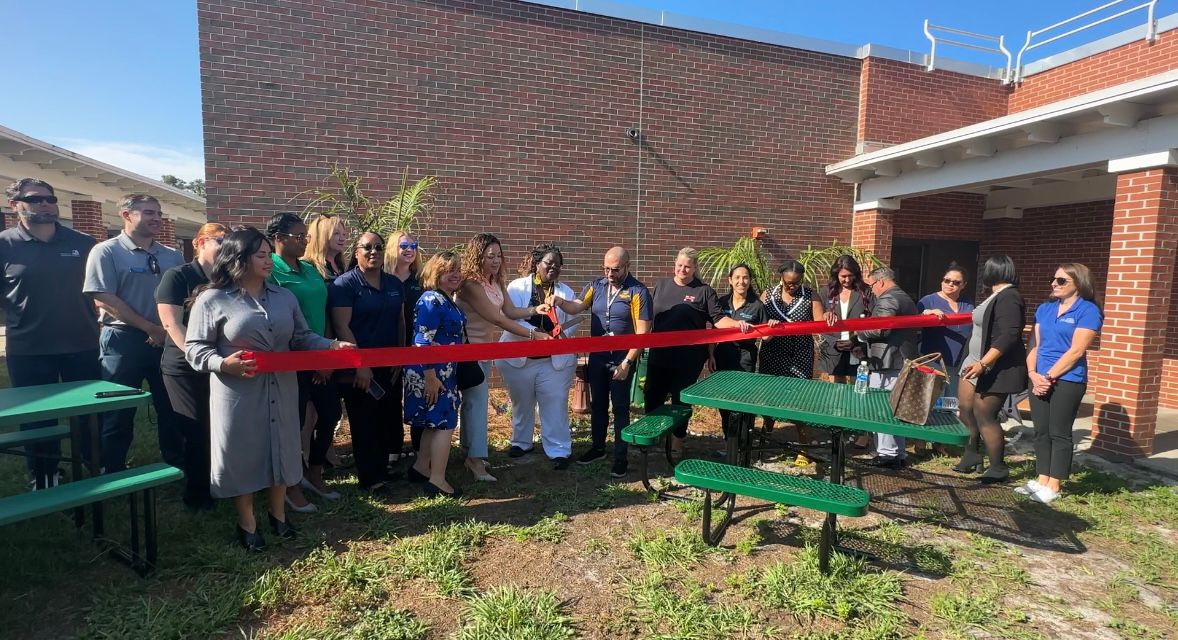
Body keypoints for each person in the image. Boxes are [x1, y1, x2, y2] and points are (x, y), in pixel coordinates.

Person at [185, 228, 352, 551]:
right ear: (239, 259)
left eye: (267, 255)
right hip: (238, 391)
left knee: (282, 447)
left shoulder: (284, 297)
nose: (268, 261)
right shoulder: (213, 299)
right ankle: (247, 522)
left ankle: (279, 515)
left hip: (283, 385)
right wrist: (223, 364)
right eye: (260, 255)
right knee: (243, 453)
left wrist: (331, 345)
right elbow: (194, 349)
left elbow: (301, 338)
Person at [0, 178, 100, 489]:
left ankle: (93, 467)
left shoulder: (83, 243)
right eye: (35, 199)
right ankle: (45, 475)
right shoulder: (4, 245)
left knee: (88, 414)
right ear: (15, 205)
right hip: (29, 348)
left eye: (50, 198)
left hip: (82, 344)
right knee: (37, 418)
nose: (45, 203)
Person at [84, 194, 185, 472]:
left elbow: (182, 296)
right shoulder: (106, 251)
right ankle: (112, 467)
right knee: (118, 409)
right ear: (126, 215)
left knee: (172, 406)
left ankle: (176, 463)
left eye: (159, 213)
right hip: (123, 341)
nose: (156, 219)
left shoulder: (172, 256)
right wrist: (148, 327)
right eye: (148, 213)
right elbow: (103, 297)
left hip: (166, 340)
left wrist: (167, 329)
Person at [454, 233, 551, 483]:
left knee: (473, 402)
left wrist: (533, 310)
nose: (496, 261)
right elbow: (496, 318)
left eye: (498, 255)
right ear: (478, 257)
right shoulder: (470, 284)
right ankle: (475, 460)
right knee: (477, 403)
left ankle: (469, 451)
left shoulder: (496, 280)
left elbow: (508, 311)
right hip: (467, 351)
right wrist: (533, 335)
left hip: (485, 351)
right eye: (490, 256)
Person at [644, 247, 752, 457]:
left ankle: (677, 442)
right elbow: (647, 318)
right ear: (674, 263)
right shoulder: (660, 286)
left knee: (680, 399)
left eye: (687, 266)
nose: (682, 269)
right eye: (679, 265)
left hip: (688, 359)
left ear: (694, 268)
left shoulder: (703, 291)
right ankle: (652, 435)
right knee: (652, 395)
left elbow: (718, 320)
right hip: (659, 354)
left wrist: (738, 325)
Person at [555, 247, 652, 478]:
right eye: (606, 268)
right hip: (598, 357)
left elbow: (643, 334)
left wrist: (628, 363)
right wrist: (559, 301)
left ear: (627, 266)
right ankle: (598, 448)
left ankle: (621, 457)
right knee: (598, 405)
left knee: (620, 408)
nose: (609, 273)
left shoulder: (638, 292)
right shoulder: (595, 286)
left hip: (621, 359)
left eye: (615, 269)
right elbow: (577, 306)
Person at [266, 213, 340, 511]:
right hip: (289, 360)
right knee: (292, 423)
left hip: (320, 352)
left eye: (306, 236)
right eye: (299, 236)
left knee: (330, 413)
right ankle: (291, 483)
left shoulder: (310, 269)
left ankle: (315, 470)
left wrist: (328, 355)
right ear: (279, 238)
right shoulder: (271, 270)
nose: (305, 241)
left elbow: (324, 311)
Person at [155, 222, 229, 510]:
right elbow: (171, 323)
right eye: (220, 241)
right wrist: (197, 355)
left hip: (219, 365)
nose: (226, 248)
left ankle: (220, 482)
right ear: (200, 243)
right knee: (195, 429)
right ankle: (197, 494)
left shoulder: (227, 279)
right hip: (184, 367)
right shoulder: (178, 276)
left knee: (218, 427)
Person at [329, 232, 405, 497]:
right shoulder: (344, 285)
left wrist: (400, 357)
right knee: (364, 421)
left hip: (390, 365)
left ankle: (383, 470)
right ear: (356, 252)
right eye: (367, 247)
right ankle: (370, 478)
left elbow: (400, 321)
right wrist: (359, 364)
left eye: (379, 247)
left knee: (386, 416)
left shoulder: (394, 283)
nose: (374, 252)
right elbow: (342, 325)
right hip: (359, 368)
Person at [1021, 263, 1101, 504]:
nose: (1054, 284)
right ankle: (1041, 478)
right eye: (1054, 279)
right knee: (1041, 431)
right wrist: (1033, 373)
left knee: (1059, 432)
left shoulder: (1087, 311)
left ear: (1079, 283)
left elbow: (1076, 351)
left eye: (1062, 280)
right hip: (1039, 378)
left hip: (1068, 380)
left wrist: (1048, 377)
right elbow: (1033, 344)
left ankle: (1054, 484)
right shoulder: (1045, 309)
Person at [498, 244, 579, 470]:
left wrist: (556, 334)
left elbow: (571, 323)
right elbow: (509, 319)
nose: (553, 267)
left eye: (557, 265)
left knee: (555, 403)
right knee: (521, 403)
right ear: (537, 264)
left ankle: (559, 450)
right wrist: (535, 335)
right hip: (519, 359)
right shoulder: (516, 287)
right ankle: (521, 442)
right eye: (548, 263)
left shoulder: (565, 292)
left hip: (552, 362)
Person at [955, 255, 1027, 483]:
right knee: (966, 409)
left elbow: (1009, 334)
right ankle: (972, 454)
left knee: (984, 414)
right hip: (973, 361)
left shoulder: (1010, 297)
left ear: (993, 271)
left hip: (993, 367)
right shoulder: (994, 296)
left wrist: (984, 363)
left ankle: (998, 466)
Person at [405, 251, 467, 497]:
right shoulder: (431, 299)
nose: (455, 274)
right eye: (449, 269)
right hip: (432, 372)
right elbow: (422, 341)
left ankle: (421, 467)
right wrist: (430, 376)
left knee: (434, 422)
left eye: (458, 269)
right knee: (445, 423)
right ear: (435, 272)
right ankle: (438, 480)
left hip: (444, 370)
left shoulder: (444, 298)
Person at [759, 260, 825, 463]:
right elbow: (758, 320)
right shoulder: (768, 294)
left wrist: (827, 316)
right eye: (788, 282)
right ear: (781, 278)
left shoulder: (810, 295)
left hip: (800, 353)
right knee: (769, 395)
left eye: (796, 283)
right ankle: (765, 435)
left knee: (800, 399)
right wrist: (767, 326)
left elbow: (820, 324)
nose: (791, 286)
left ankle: (803, 447)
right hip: (773, 352)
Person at [859, 266, 920, 469]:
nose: (871, 291)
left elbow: (880, 328)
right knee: (895, 410)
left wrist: (858, 333)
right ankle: (898, 453)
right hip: (900, 359)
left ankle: (887, 454)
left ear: (881, 282)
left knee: (882, 409)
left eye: (871, 286)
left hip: (889, 361)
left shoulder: (888, 298)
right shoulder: (904, 297)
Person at [303, 214, 349, 469]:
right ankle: (310, 459)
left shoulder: (343, 267)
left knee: (332, 407)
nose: (342, 237)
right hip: (318, 345)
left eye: (344, 233)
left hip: (341, 344)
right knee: (315, 410)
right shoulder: (309, 268)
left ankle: (326, 453)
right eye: (336, 233)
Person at [709, 263, 767, 437]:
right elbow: (713, 330)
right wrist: (711, 354)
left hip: (745, 358)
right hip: (722, 356)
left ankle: (743, 442)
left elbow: (766, 335)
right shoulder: (721, 303)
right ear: (730, 280)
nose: (741, 281)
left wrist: (773, 326)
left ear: (750, 281)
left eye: (745, 278)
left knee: (743, 400)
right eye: (737, 278)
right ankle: (729, 441)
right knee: (724, 399)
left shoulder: (757, 306)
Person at [384, 230, 425, 457]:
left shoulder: (421, 280)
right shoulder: (382, 278)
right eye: (404, 246)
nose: (409, 249)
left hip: (416, 348)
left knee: (417, 395)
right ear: (393, 249)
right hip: (389, 347)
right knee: (391, 398)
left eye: (413, 245)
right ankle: (393, 447)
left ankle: (419, 447)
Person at [918, 263, 975, 400]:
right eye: (947, 280)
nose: (950, 284)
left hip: (959, 365)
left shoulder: (967, 303)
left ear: (963, 285)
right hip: (933, 362)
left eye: (956, 282)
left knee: (952, 405)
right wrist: (927, 313)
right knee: (930, 404)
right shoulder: (928, 301)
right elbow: (915, 320)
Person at [819, 255, 872, 384]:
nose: (847, 280)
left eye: (850, 275)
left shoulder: (865, 291)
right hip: (833, 349)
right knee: (835, 392)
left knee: (858, 387)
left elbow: (871, 319)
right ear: (836, 274)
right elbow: (819, 321)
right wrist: (834, 342)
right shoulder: (826, 292)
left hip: (858, 348)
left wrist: (855, 342)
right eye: (843, 276)